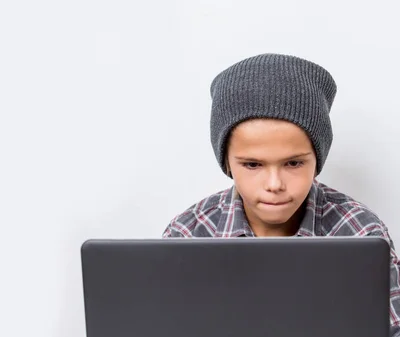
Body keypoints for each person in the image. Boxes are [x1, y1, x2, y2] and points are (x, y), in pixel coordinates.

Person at [161, 53, 400, 336]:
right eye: (252, 164)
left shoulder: (361, 231)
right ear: (227, 163)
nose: (274, 184)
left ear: (317, 160)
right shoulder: (188, 234)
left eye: (294, 163)